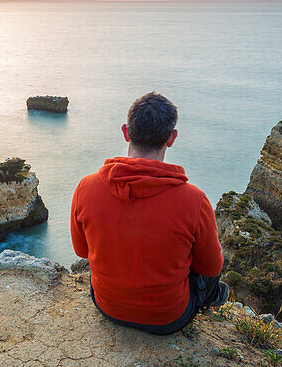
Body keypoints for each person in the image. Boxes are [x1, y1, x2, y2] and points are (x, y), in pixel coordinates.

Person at [70, 92, 227, 335]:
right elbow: (210, 266)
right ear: (172, 138)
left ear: (126, 132)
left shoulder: (86, 187)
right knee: (207, 266)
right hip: (169, 318)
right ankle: (215, 298)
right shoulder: (194, 200)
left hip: (107, 306)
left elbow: (82, 251)